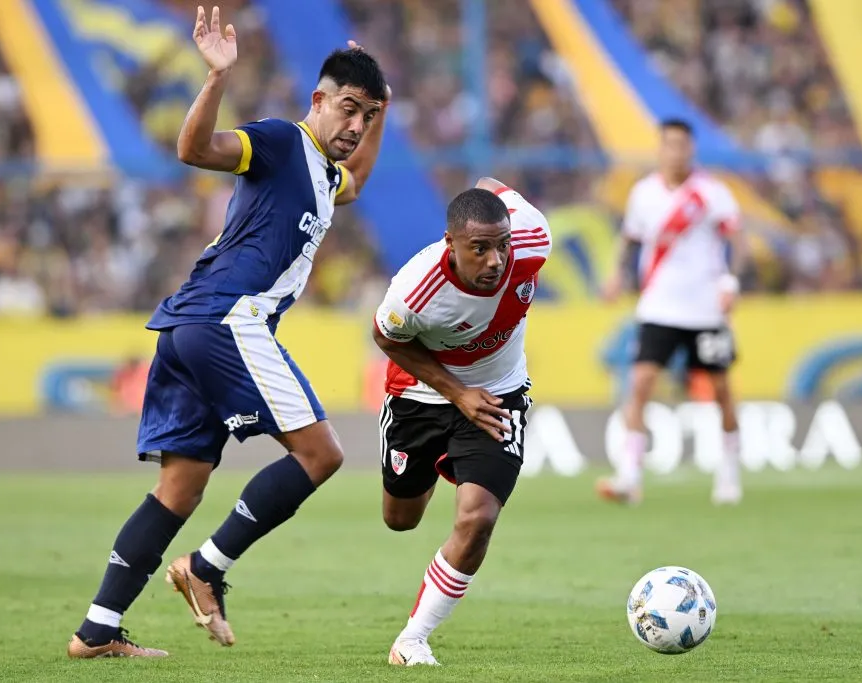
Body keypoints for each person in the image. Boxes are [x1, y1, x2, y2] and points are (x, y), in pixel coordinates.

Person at [67, 6, 390, 659]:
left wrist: (384, 107)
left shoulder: (327, 178)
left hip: (188, 325)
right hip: (224, 319)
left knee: (180, 486)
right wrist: (215, 77)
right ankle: (206, 568)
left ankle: (97, 630)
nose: (355, 126)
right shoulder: (280, 141)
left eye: (368, 117)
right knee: (321, 453)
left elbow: (354, 181)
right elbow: (194, 149)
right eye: (348, 109)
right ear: (317, 100)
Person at [372, 181, 552, 666]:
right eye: (480, 248)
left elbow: (494, 187)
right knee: (400, 519)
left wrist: (483, 190)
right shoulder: (414, 291)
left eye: (501, 245)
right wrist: (456, 393)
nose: (495, 260)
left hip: (499, 395)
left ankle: (412, 639)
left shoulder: (533, 238)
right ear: (450, 244)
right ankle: (433, 466)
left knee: (477, 519)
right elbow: (386, 338)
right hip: (419, 398)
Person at [597, 118, 748, 506]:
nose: (675, 152)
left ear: (691, 149)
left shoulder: (712, 193)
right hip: (659, 306)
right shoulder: (644, 193)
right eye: (669, 145)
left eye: (682, 145)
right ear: (659, 148)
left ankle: (728, 470)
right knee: (641, 384)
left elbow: (739, 238)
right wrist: (616, 274)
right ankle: (630, 476)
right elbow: (629, 239)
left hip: (705, 310)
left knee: (720, 389)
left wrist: (731, 281)